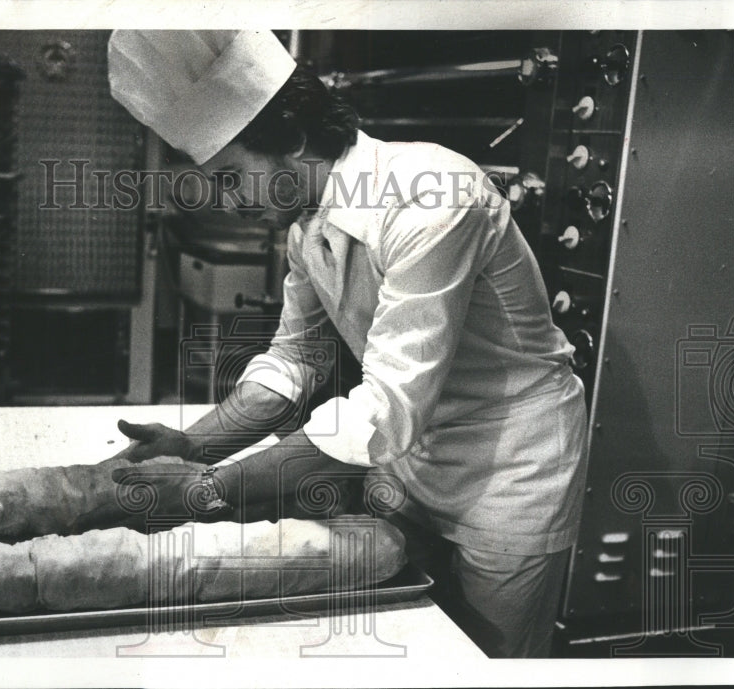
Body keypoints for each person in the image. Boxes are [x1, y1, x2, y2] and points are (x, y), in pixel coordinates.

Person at [106, 29, 589, 658]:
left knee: (483, 659)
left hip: (509, 475)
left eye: (230, 177)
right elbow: (295, 359)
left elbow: (384, 407)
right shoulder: (309, 225)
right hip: (413, 462)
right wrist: (194, 445)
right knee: (411, 647)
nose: (227, 201)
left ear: (295, 143)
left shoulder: (429, 198)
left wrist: (212, 488)